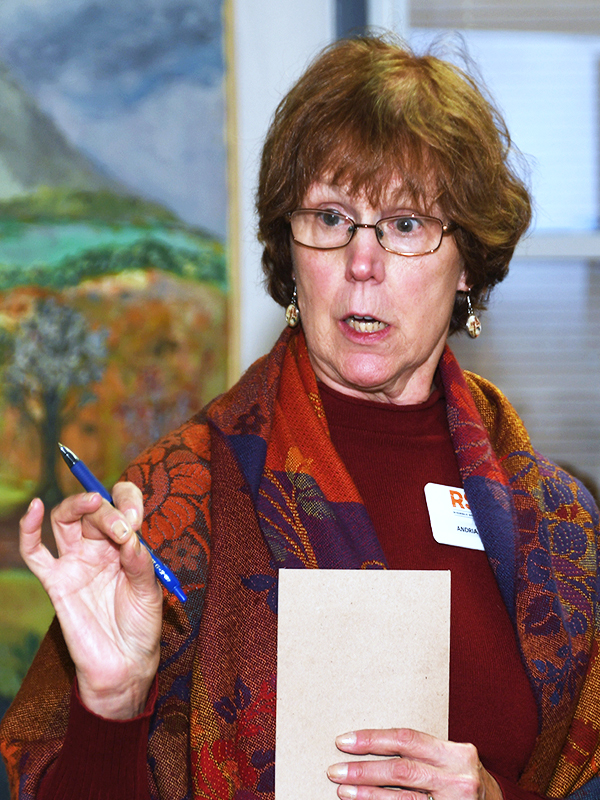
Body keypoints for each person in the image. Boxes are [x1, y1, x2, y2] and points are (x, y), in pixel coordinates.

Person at [2, 34, 600, 800]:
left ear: (467, 265)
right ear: (293, 253)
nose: (362, 260)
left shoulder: (556, 524)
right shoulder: (171, 506)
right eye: (330, 217)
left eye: (407, 224)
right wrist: (112, 704)